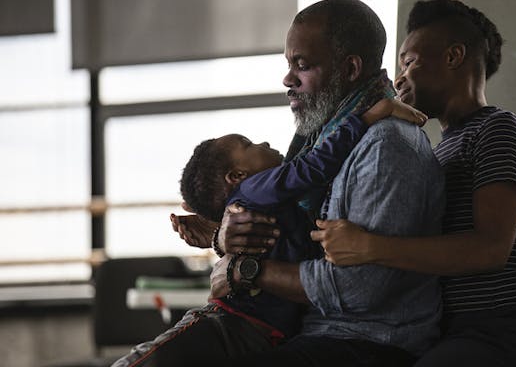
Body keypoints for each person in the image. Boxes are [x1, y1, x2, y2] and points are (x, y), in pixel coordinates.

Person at [308, 0, 516, 366]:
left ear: (454, 56)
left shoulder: (499, 129)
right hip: (444, 333)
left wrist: (369, 246)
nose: (398, 77)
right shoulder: (440, 150)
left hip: (500, 334)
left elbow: (490, 249)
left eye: (409, 62)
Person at [205, 0, 445, 366]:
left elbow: (361, 288)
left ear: (350, 68)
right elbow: (277, 212)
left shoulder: (386, 147)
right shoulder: (318, 139)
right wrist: (223, 234)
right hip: (318, 331)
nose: (288, 80)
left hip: (371, 343)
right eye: (289, 65)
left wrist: (246, 271)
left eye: (302, 65)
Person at [113, 94, 423, 367]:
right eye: (248, 145)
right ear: (238, 175)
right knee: (156, 359)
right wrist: (367, 118)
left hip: (262, 330)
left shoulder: (258, 198)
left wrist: (216, 232)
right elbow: (313, 167)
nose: (262, 143)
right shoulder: (256, 188)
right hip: (231, 323)